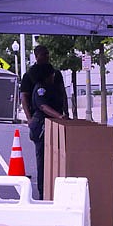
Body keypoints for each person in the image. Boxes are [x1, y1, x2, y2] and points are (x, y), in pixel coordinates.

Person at [28, 64, 69, 199]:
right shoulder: (41, 89)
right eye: (51, 74)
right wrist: (60, 116)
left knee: (52, 159)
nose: (53, 76)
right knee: (43, 161)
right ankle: (42, 192)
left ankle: (49, 190)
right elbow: (43, 106)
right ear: (46, 75)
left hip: (48, 125)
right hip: (41, 126)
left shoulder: (50, 87)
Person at [20, 44, 68, 123]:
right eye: (43, 54)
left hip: (56, 113)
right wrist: (29, 118)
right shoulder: (29, 75)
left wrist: (65, 112)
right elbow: (25, 97)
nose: (46, 57)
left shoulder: (55, 73)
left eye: (47, 54)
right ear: (36, 57)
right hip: (40, 117)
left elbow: (63, 93)